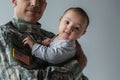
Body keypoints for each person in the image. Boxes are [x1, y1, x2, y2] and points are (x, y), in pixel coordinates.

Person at [0, 0, 88, 80]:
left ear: (45, 5)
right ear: (14, 1)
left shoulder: (54, 38)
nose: (35, 3)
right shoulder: (4, 35)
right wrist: (77, 66)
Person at [23, 7, 89, 66]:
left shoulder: (68, 46)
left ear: (82, 33)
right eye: (67, 22)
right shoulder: (59, 38)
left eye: (77, 28)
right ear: (60, 20)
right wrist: (48, 42)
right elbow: (55, 45)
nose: (69, 28)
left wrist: (34, 46)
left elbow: (51, 56)